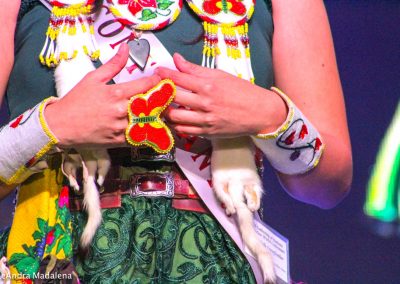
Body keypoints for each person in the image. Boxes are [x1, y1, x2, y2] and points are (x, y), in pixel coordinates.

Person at [0, 0, 352, 282]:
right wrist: (52, 125)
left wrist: (271, 116)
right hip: (57, 261)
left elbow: (329, 185)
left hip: (216, 265)